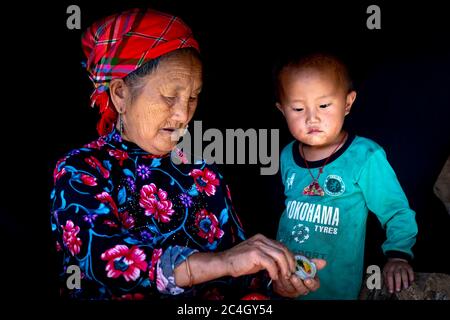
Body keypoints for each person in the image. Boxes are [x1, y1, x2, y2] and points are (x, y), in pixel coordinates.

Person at [50, 8, 325, 300]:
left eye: (193, 97)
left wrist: (275, 277)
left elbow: (241, 263)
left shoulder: (199, 167)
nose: (183, 114)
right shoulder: (81, 169)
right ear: (120, 94)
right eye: (170, 96)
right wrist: (222, 263)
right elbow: (104, 263)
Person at [273, 52, 418, 299]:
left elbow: (396, 210)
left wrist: (398, 255)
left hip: (333, 289)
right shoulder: (287, 155)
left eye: (324, 105)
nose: (312, 117)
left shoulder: (364, 156)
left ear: (348, 103)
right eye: (298, 108)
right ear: (282, 110)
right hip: (283, 284)